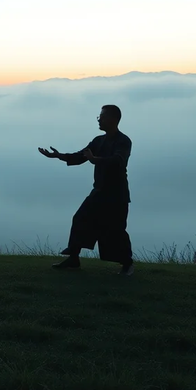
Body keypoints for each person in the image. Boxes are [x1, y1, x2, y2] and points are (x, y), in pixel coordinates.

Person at [38, 104, 134, 276]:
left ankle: (127, 264)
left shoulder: (124, 141)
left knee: (116, 230)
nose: (99, 119)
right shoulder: (99, 141)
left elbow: (118, 160)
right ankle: (73, 258)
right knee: (80, 218)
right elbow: (81, 156)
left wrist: (95, 159)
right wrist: (58, 156)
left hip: (116, 195)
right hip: (99, 192)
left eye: (102, 116)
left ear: (113, 119)